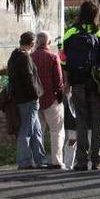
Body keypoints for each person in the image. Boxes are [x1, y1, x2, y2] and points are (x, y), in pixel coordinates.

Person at [60, 0, 100, 171]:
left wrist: (68, 81)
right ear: (96, 14)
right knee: (98, 122)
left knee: (81, 122)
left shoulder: (70, 32)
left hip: (78, 84)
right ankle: (97, 160)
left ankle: (81, 161)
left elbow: (63, 59)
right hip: (98, 85)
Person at [8, 31, 47, 170]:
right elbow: (29, 79)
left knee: (36, 131)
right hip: (28, 99)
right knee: (27, 130)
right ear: (31, 43)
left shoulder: (14, 56)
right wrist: (36, 94)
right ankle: (24, 161)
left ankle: (40, 159)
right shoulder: (25, 58)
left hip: (20, 98)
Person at [31, 31, 66, 170]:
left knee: (38, 131)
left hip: (35, 99)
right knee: (56, 131)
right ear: (49, 43)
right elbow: (59, 80)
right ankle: (56, 161)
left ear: (37, 42)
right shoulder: (53, 57)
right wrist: (60, 96)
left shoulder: (30, 57)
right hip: (51, 99)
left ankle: (37, 160)